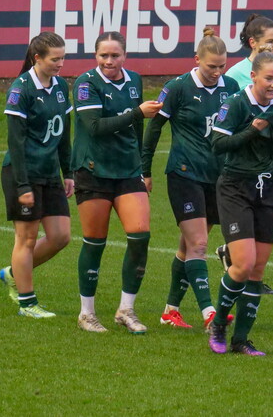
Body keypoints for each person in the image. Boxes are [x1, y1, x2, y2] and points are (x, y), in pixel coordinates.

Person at [207, 52, 273, 356]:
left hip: (268, 188)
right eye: (269, 78)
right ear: (253, 76)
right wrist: (252, 129)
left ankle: (241, 340)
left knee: (258, 269)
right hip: (235, 188)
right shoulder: (236, 104)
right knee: (243, 264)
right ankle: (218, 325)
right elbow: (217, 145)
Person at [141, 27, 240, 330]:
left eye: (222, 65)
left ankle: (171, 310)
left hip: (217, 177)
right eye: (211, 66)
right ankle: (210, 312)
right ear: (196, 59)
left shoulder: (232, 86)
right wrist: (145, 170)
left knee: (187, 248)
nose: (217, 71)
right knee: (199, 243)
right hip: (184, 174)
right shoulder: (178, 88)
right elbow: (155, 128)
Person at [72, 31, 163, 334]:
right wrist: (137, 112)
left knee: (140, 236)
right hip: (94, 171)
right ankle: (87, 313)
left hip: (127, 171)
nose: (109, 61)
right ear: (95, 56)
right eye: (103, 56)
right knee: (94, 242)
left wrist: (140, 164)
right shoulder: (86, 84)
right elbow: (95, 127)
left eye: (115, 55)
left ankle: (126, 309)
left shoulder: (134, 80)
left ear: (125, 55)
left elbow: (136, 129)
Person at [0, 32, 74, 318]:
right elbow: (15, 142)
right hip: (23, 172)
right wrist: (22, 184)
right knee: (26, 239)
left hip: (50, 173)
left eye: (63, 58)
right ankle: (27, 303)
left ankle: (13, 272)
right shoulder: (21, 89)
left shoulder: (60, 86)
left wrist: (69, 173)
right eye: (55, 59)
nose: (61, 64)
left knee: (61, 236)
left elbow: (65, 133)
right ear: (37, 57)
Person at [216, 13, 273, 295]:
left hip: (270, 167)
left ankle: (242, 262)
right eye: (270, 43)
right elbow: (223, 128)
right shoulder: (235, 76)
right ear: (253, 42)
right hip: (239, 172)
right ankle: (240, 265)